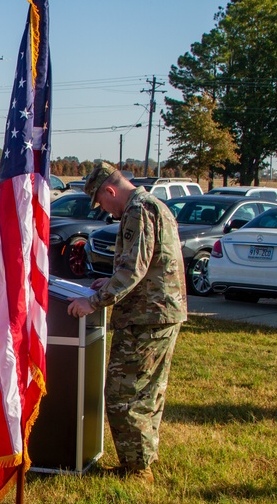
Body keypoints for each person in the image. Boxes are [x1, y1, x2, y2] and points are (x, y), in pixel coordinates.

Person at [67, 161, 187, 483]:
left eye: (101, 202)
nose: (105, 211)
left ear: (109, 190)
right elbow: (143, 266)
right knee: (147, 392)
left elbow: (133, 271)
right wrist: (106, 283)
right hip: (159, 313)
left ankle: (137, 469)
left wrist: (91, 302)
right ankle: (142, 460)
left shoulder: (137, 210)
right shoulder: (152, 205)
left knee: (124, 394)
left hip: (146, 317)